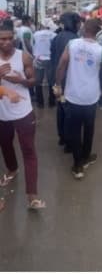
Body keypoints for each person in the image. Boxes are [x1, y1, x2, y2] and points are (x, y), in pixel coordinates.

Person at [54, 19, 102, 179]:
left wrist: (58, 85)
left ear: (84, 30)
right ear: (97, 33)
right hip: (91, 97)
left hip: (72, 95)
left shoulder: (72, 44)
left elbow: (62, 64)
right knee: (89, 128)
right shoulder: (101, 50)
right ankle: (85, 157)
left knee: (75, 130)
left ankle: (78, 165)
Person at [0, 20, 46, 209]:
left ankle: (32, 195)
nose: (6, 42)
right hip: (2, 114)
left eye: (10, 38)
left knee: (29, 151)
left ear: (15, 38)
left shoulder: (23, 57)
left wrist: (22, 80)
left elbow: (34, 80)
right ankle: (12, 169)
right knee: (5, 145)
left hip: (23, 112)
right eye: (2, 39)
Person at [50, 12, 81, 149]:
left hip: (58, 81)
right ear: (74, 23)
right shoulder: (76, 39)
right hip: (70, 82)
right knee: (70, 113)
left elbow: (53, 59)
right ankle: (69, 143)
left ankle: (62, 138)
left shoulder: (56, 38)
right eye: (78, 22)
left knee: (61, 109)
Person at [32, 18, 57, 108]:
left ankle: (40, 103)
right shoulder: (54, 35)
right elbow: (55, 48)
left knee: (38, 81)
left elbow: (33, 45)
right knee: (51, 81)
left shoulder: (36, 34)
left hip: (38, 58)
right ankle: (51, 102)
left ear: (41, 25)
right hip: (50, 59)